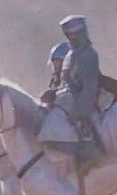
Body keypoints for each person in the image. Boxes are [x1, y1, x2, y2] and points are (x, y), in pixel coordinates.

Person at [41, 15, 102, 160]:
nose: (73, 38)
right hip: (72, 98)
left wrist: (79, 111)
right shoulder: (71, 55)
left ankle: (89, 155)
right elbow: (68, 84)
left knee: (84, 129)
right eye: (70, 35)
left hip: (88, 101)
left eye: (76, 34)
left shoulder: (88, 55)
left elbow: (89, 88)